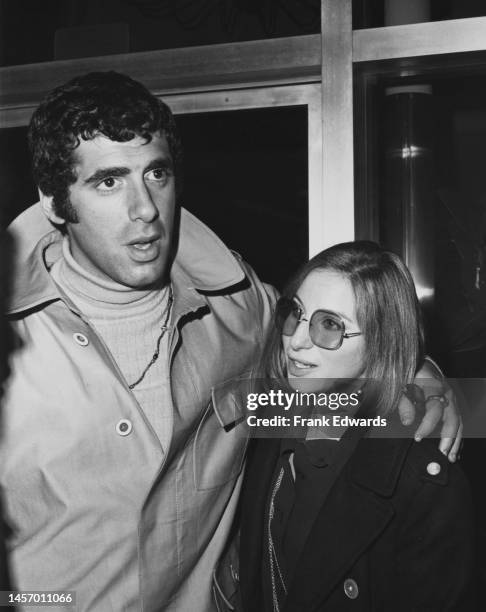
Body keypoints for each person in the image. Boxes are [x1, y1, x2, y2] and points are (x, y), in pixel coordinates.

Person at [1, 72, 461, 611]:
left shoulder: (240, 311)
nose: (145, 208)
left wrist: (419, 373)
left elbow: (342, 341)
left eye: (156, 173)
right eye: (108, 182)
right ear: (56, 202)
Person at [233, 242, 474, 611]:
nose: (295, 340)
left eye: (330, 325)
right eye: (294, 313)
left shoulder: (422, 483)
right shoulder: (270, 427)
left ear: (381, 341)